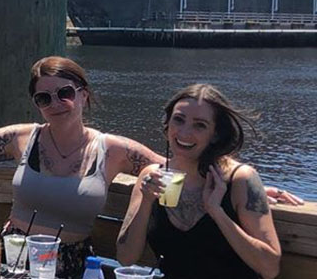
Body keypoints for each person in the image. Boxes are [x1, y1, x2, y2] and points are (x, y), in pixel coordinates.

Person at [0, 56, 301, 279]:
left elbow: (181, 164)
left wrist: (249, 186)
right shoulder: (23, 138)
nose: (56, 102)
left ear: (83, 94)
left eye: (65, 92)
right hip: (13, 256)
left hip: (71, 263)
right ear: (36, 103)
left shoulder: (114, 149)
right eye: (44, 96)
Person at [116, 84, 281, 279]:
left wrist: (217, 212)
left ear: (216, 134)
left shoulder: (240, 180)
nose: (185, 133)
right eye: (178, 120)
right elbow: (125, 258)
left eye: (199, 125)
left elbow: (270, 268)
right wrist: (146, 201)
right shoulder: (152, 176)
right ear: (167, 124)